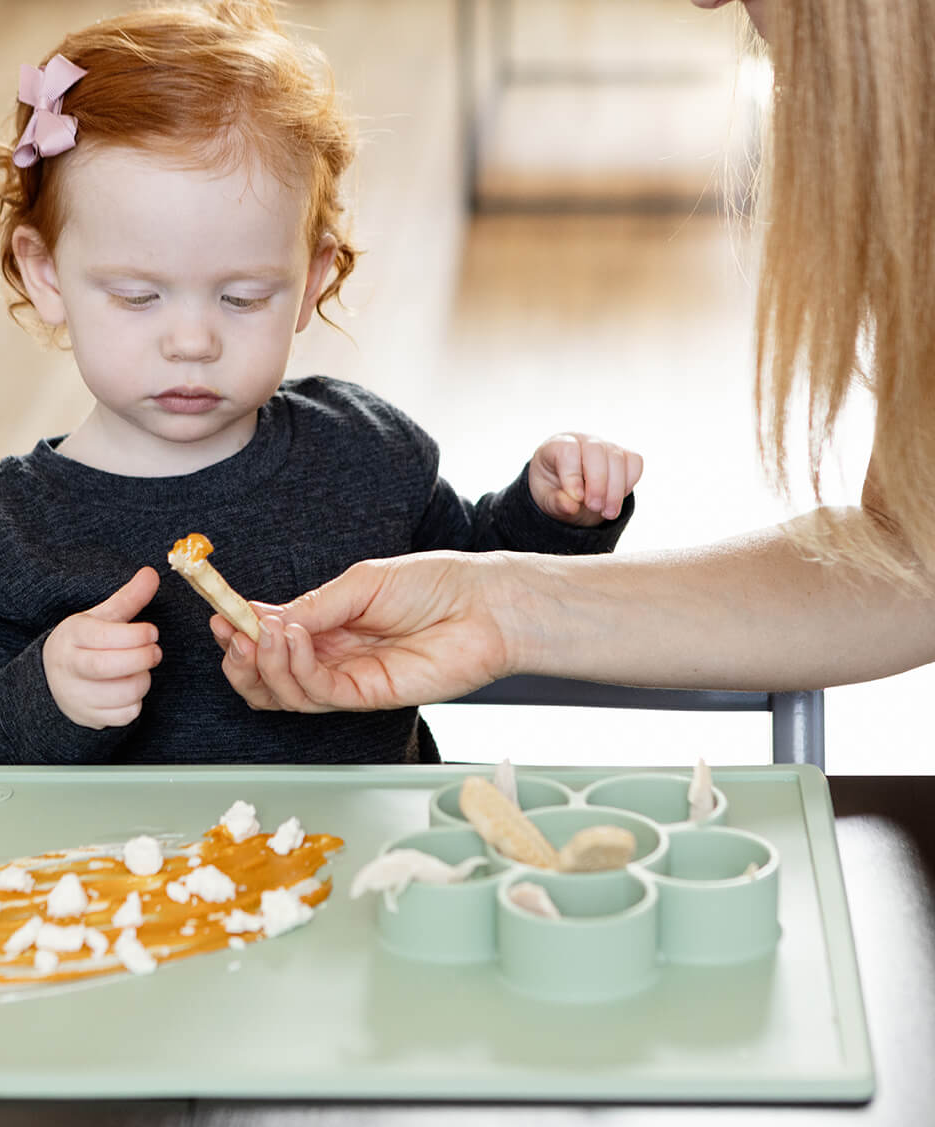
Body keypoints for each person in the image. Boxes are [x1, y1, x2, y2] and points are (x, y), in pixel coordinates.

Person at [0, 0, 643, 766]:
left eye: (244, 297)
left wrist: (558, 518)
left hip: (372, 872)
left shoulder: (363, 455)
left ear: (312, 278)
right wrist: (46, 697)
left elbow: (482, 588)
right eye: (137, 296)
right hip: (121, 884)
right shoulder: (5, 538)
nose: (192, 341)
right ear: (45, 273)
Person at [212, 0, 935, 715]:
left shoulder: (364, 447)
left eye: (238, 295)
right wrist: (504, 605)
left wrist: (542, 540)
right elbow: (910, 556)